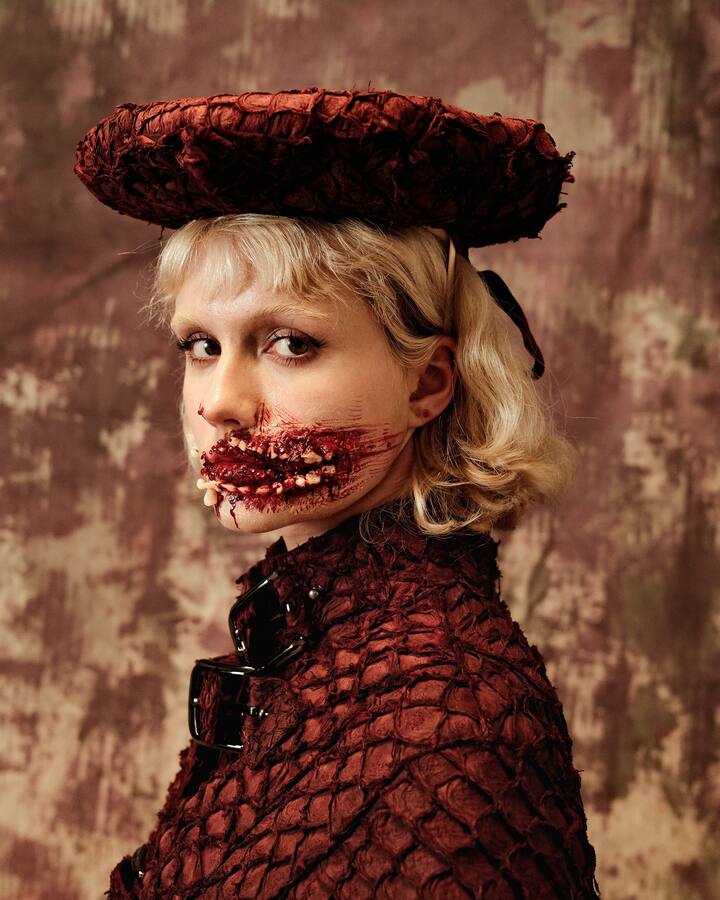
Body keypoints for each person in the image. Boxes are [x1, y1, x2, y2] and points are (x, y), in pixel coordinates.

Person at [75, 88, 601, 898]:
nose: (219, 402)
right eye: (202, 345)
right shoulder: (303, 640)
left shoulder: (450, 723)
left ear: (427, 383)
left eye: (290, 343)